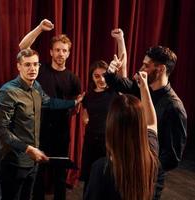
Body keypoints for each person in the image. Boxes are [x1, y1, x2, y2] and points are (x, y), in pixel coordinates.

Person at [0, 49, 84, 200]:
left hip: (32, 162)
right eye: (27, 65)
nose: (32, 69)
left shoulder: (36, 87)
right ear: (19, 66)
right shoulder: (8, 92)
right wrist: (28, 149)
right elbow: (0, 129)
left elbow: (50, 102)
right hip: (14, 162)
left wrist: (74, 102)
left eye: (35, 64)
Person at [104, 46, 187, 199]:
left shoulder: (174, 108)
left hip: (150, 180)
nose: (141, 68)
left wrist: (144, 166)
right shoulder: (142, 88)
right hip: (129, 170)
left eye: (146, 65)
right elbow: (120, 84)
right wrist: (110, 71)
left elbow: (172, 157)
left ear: (160, 69)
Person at [19, 19, 81, 200]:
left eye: (64, 50)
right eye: (57, 50)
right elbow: (23, 47)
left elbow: (76, 107)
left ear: (68, 53)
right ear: (51, 52)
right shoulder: (41, 69)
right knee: (37, 175)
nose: (60, 53)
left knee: (60, 177)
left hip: (61, 133)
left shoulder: (73, 79)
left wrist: (74, 109)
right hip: (39, 131)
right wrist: (39, 28)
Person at [84, 71, 159, 200]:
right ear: (141, 123)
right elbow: (152, 123)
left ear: (111, 126)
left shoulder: (101, 168)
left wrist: (144, 86)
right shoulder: (151, 154)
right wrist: (144, 87)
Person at [80, 28, 127, 193]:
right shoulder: (88, 95)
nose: (101, 79)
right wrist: (85, 117)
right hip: (91, 142)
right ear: (91, 77)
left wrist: (120, 40)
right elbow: (85, 114)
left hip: (110, 144)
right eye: (96, 76)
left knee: (108, 184)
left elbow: (123, 65)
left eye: (104, 75)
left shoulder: (115, 91)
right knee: (90, 183)